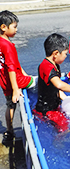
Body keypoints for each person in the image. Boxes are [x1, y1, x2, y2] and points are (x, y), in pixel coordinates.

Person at [34, 33, 70, 133]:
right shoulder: (46, 67)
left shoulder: (54, 64)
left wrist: (67, 99)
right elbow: (59, 84)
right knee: (64, 129)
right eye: (65, 54)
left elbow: (55, 88)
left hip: (54, 106)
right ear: (56, 53)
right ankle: (58, 144)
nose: (66, 57)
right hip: (45, 110)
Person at [0, 10, 36, 143]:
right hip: (16, 81)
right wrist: (16, 88)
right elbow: (11, 67)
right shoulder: (8, 46)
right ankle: (38, 114)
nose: (16, 29)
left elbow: (14, 63)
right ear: (4, 27)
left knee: (10, 105)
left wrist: (25, 74)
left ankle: (9, 131)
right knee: (40, 82)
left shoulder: (1, 42)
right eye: (14, 27)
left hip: (5, 82)